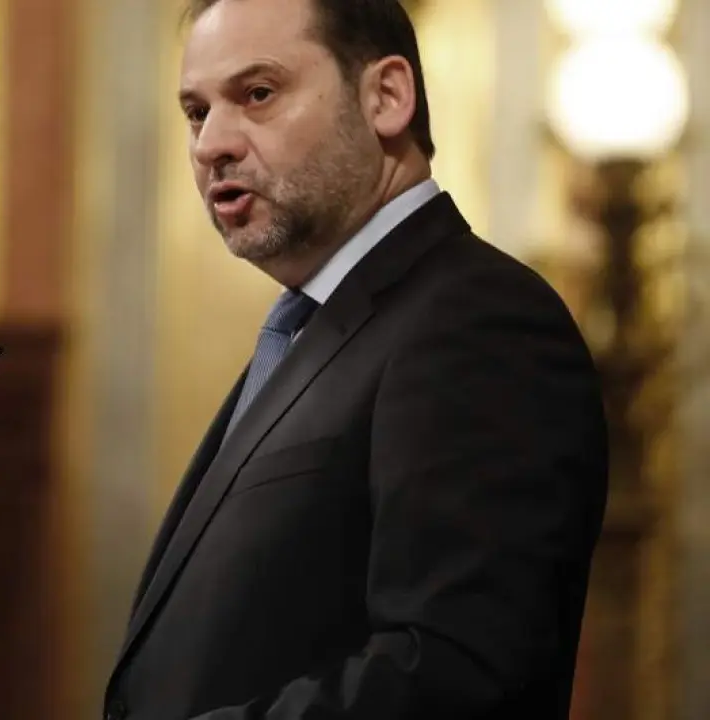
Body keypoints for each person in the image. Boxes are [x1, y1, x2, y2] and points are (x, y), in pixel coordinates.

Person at [103, 1, 610, 719]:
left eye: (258, 93)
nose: (211, 143)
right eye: (196, 112)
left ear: (387, 96)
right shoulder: (314, 330)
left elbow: (456, 675)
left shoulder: (478, 321)